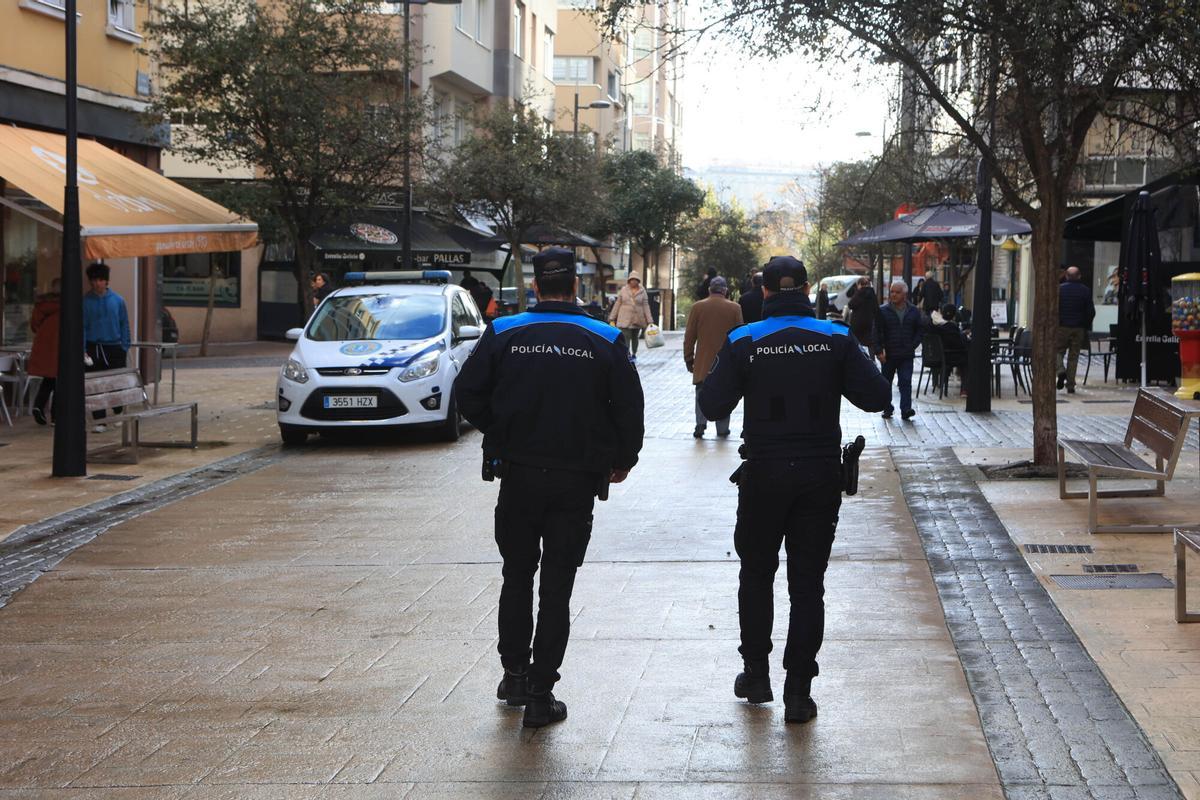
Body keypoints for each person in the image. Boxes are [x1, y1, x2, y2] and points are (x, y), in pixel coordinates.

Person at [457, 247, 645, 729]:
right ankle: (542, 695)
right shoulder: (604, 338)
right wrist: (621, 460)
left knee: (517, 576)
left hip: (518, 474)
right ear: (576, 287)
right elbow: (629, 407)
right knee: (556, 588)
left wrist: (500, 431)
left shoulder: (505, 331)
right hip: (575, 481)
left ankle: (515, 676)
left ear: (536, 286)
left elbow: (468, 393)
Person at [698, 255, 890, 724]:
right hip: (818, 475)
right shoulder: (837, 338)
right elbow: (877, 397)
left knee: (756, 574)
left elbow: (712, 400)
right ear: (807, 291)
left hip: (763, 474)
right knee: (808, 585)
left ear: (764, 291)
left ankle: (756, 672)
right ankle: (799, 692)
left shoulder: (745, 339)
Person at [683, 276, 743, 439]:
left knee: (701, 392)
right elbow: (740, 336)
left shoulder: (697, 307)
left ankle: (700, 424)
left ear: (709, 290)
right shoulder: (735, 308)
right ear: (725, 291)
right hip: (726, 362)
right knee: (725, 393)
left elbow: (690, 336)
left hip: (703, 362)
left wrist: (689, 358)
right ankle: (722, 428)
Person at [83, 262, 130, 424]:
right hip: (93, 347)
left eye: (101, 280)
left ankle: (118, 412)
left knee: (115, 383)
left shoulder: (118, 300)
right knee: (95, 385)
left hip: (114, 346)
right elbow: (81, 327)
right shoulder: (85, 302)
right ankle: (99, 420)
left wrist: (124, 346)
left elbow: (124, 323)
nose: (97, 283)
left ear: (106, 281)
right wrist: (83, 350)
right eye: (94, 280)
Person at [876, 280, 924, 419]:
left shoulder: (914, 311)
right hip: (888, 354)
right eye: (892, 291)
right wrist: (879, 351)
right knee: (886, 383)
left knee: (905, 381)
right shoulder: (883, 310)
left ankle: (906, 409)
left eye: (897, 292)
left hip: (906, 354)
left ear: (905, 294)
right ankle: (887, 408)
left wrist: (913, 344)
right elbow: (876, 331)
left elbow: (920, 330)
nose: (894, 294)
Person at [1057, 265, 1095, 394]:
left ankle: (1060, 370)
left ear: (1066, 276)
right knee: (1074, 357)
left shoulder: (1060, 290)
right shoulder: (1085, 291)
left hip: (1062, 327)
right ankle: (1070, 385)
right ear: (1079, 276)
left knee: (1057, 351)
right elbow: (1091, 311)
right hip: (1078, 328)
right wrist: (1085, 324)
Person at [28, 279, 61, 426]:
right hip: (58, 348)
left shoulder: (41, 305)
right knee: (60, 380)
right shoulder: (64, 307)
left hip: (44, 348)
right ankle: (55, 415)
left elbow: (34, 325)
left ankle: (39, 406)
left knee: (50, 379)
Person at [608, 272, 654, 364]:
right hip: (624, 317)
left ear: (638, 281)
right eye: (632, 280)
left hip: (637, 318)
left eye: (635, 280)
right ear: (629, 281)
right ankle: (627, 354)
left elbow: (646, 305)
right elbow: (618, 303)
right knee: (625, 337)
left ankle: (634, 354)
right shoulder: (624, 290)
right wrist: (612, 317)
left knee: (635, 337)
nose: (633, 282)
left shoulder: (642, 291)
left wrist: (649, 320)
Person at [931, 303, 969, 396]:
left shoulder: (935, 324)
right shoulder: (951, 327)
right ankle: (964, 389)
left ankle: (938, 382)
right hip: (949, 357)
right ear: (954, 315)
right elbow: (958, 344)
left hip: (935, 357)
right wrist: (963, 335)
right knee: (967, 359)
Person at [845, 277, 880, 355]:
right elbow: (876, 308)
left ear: (859, 284)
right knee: (870, 342)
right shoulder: (872, 293)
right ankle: (872, 360)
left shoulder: (859, 293)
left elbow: (851, 304)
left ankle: (858, 358)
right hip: (869, 321)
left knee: (856, 341)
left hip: (858, 321)